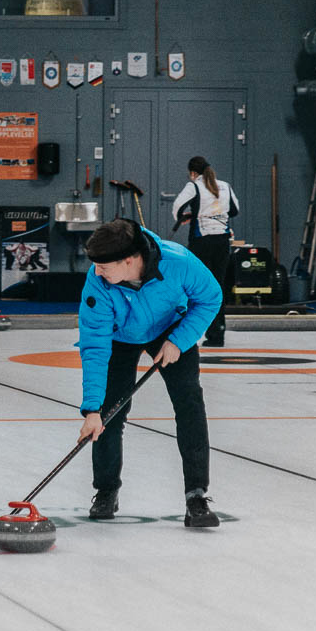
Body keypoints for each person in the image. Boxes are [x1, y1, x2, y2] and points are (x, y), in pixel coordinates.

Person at [76, 217, 225, 529]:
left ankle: (196, 495)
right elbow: (94, 346)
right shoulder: (98, 282)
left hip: (170, 329)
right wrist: (91, 408)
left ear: (129, 260)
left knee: (189, 403)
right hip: (119, 336)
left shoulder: (179, 262)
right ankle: (106, 490)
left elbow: (210, 297)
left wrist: (179, 341)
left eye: (104, 266)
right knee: (108, 412)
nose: (97, 272)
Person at [170, 156, 240, 347]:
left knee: (195, 286)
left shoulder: (194, 186)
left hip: (201, 241)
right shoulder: (225, 185)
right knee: (218, 287)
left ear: (193, 173)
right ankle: (217, 334)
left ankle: (188, 333)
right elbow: (234, 210)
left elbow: (177, 206)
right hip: (222, 240)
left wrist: (185, 217)